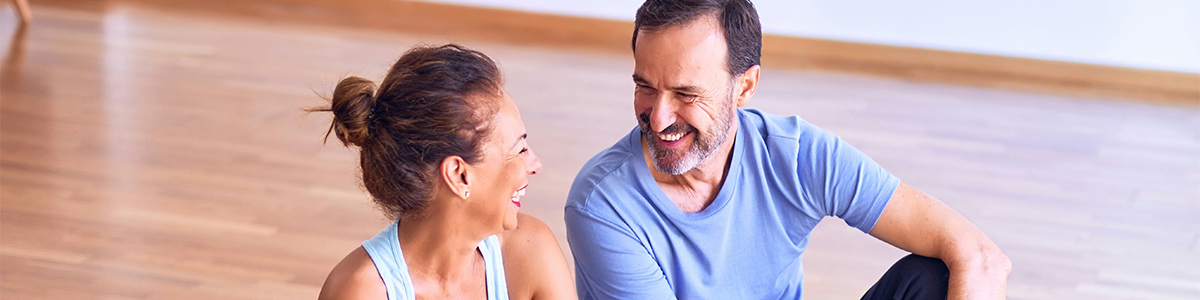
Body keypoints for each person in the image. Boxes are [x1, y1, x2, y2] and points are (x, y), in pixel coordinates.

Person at [564, 1, 1011, 299]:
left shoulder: (797, 157)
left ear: (746, 87)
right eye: (645, 86)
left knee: (934, 280)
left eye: (685, 94)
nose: (658, 118)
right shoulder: (603, 206)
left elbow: (982, 256)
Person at [314, 44, 575, 300]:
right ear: (459, 175)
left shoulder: (530, 252)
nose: (535, 164)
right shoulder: (360, 291)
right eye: (520, 150)